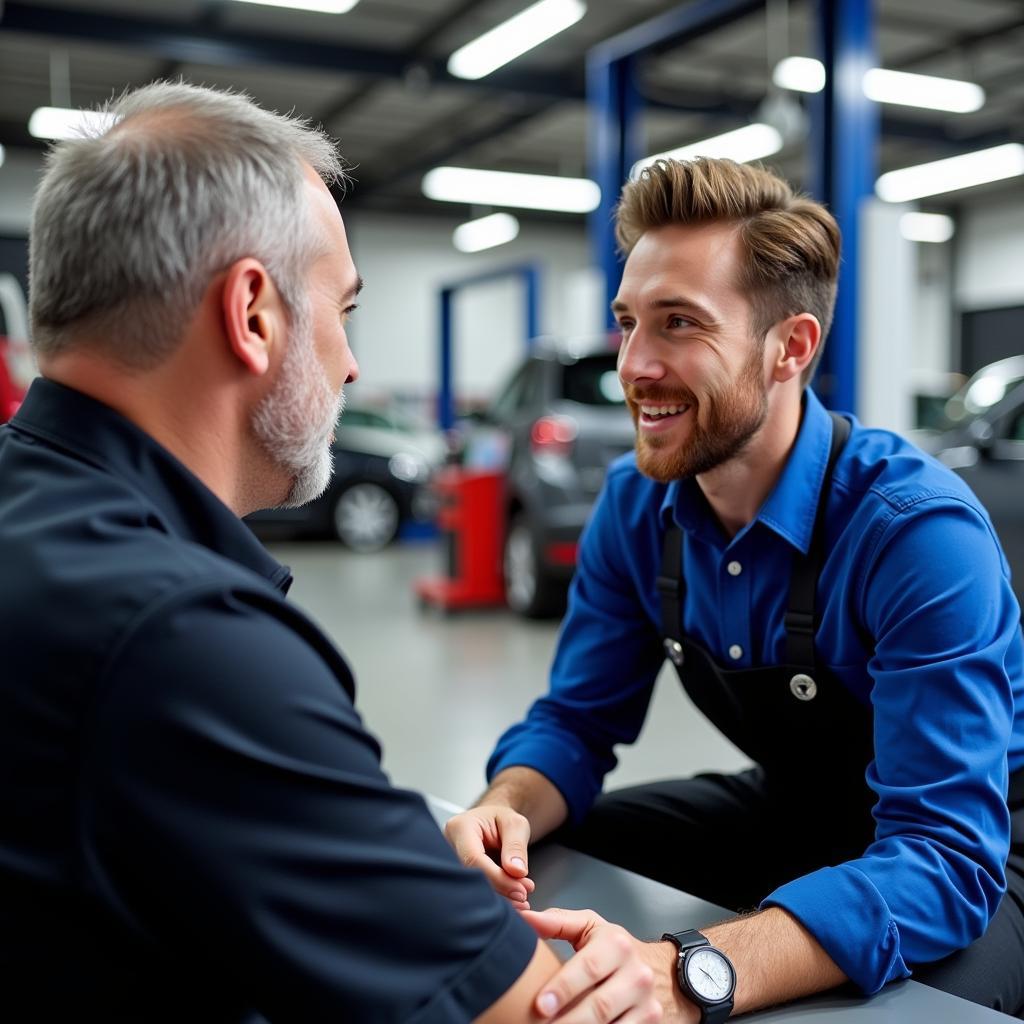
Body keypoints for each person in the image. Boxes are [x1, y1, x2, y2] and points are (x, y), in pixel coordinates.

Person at [0, 82, 664, 1023]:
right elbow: (537, 1013)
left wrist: (364, 850)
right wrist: (634, 978)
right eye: (342, 311)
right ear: (254, 314)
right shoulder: (178, 638)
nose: (351, 363)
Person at [446, 157, 1024, 1021]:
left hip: (977, 853)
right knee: (539, 863)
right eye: (629, 322)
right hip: (796, 813)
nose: (634, 366)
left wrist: (693, 974)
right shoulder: (635, 508)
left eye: (679, 323)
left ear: (790, 347)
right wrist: (506, 809)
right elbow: (576, 720)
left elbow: (942, 854)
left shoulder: (913, 532)